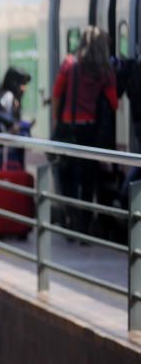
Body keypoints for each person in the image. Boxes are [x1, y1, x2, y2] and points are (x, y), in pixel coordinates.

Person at [51, 25, 118, 236]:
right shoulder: (105, 70)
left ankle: (71, 218)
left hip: (68, 127)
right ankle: (85, 226)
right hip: (91, 129)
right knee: (87, 179)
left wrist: (56, 122)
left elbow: (56, 94)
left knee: (67, 175)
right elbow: (114, 103)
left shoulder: (69, 64)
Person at [0, 66, 33, 170]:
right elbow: (4, 122)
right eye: (22, 83)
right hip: (6, 149)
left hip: (2, 148)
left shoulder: (2, 94)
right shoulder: (8, 96)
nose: (24, 88)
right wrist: (13, 126)